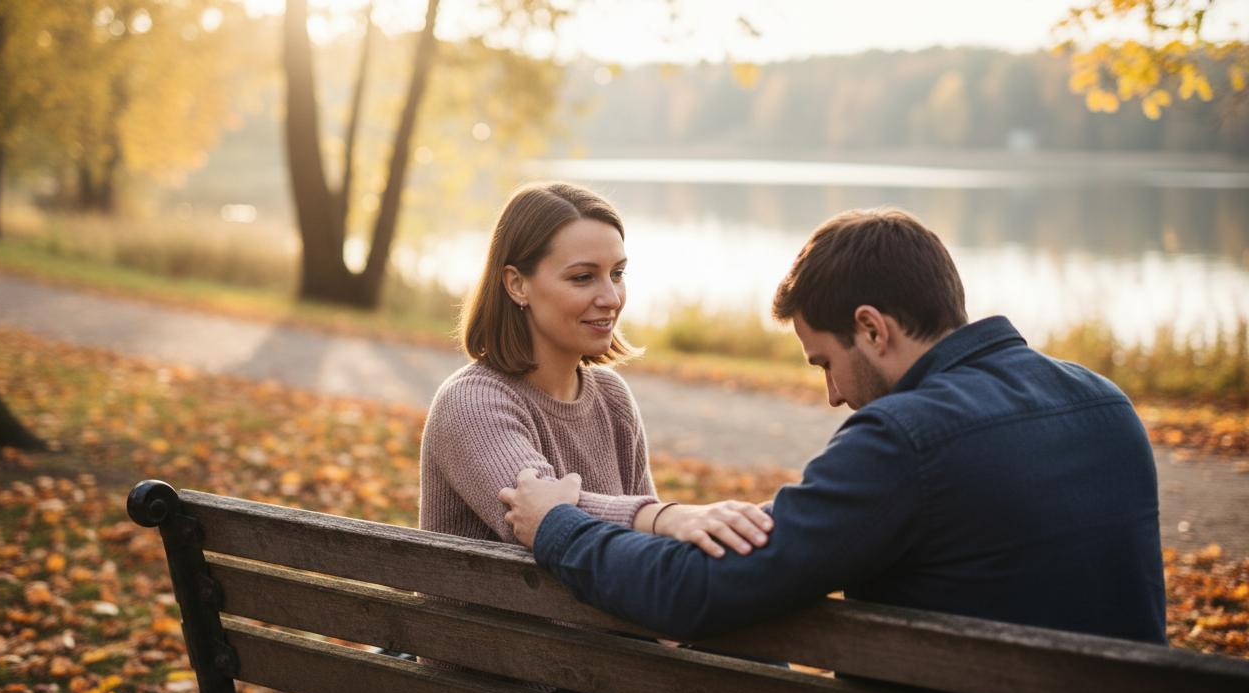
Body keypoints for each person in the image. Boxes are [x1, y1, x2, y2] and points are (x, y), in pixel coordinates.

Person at [500, 207, 1167, 648]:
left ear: (873, 328)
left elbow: (694, 592)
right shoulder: (1103, 401)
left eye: (825, 362)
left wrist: (559, 523)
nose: (833, 395)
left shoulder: (904, 439)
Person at [418, 182, 773, 693]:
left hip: (597, 683)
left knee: (759, 668)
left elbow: (634, 550)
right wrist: (665, 517)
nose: (610, 296)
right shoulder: (473, 404)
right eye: (583, 277)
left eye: (618, 273)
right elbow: (534, 516)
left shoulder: (610, 395)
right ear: (517, 285)